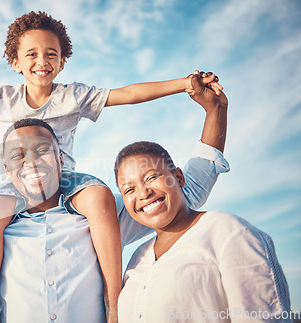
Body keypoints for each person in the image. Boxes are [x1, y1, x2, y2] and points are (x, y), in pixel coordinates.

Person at [0, 11, 223, 321]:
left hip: (70, 182)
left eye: (51, 54)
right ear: (16, 62)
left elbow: (127, 95)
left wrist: (185, 86)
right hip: (10, 191)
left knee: (99, 197)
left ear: (63, 61)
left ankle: (116, 306)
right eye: (32, 54)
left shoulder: (73, 97)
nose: (42, 62)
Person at [114, 86, 291, 322]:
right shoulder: (138, 259)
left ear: (178, 177)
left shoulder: (227, 232)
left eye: (151, 177)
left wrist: (216, 109)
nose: (143, 193)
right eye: (129, 189)